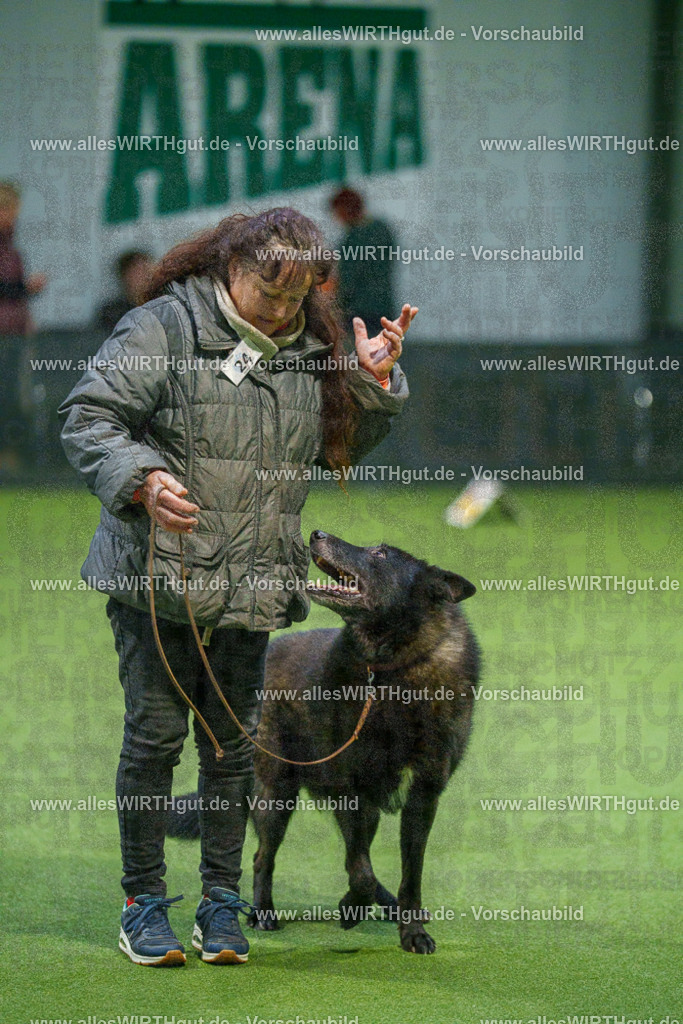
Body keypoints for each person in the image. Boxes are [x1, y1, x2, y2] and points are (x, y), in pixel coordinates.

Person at [59, 207, 417, 968]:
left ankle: (221, 904)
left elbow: (334, 450)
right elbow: (89, 418)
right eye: (269, 291)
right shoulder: (163, 327)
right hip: (158, 583)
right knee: (154, 742)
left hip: (254, 584)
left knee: (231, 752)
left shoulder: (311, 349)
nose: (282, 310)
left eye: (297, 296)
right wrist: (143, 479)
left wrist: (372, 382)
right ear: (232, 267)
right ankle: (143, 904)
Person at [0, 181, 47, 470]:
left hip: (14, 335)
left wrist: (26, 316)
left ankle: (11, 457)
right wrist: (25, 289)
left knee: (14, 397)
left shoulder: (12, 250)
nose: (12, 216)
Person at [329, 187, 397, 337]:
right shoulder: (382, 229)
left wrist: (331, 307)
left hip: (359, 313)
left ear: (344, 210)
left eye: (337, 213)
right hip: (384, 310)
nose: (337, 219)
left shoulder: (354, 238)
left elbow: (347, 281)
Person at [94, 249, 154, 335]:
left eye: (146, 270)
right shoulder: (111, 312)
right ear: (124, 276)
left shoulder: (163, 306)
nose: (144, 277)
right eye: (137, 272)